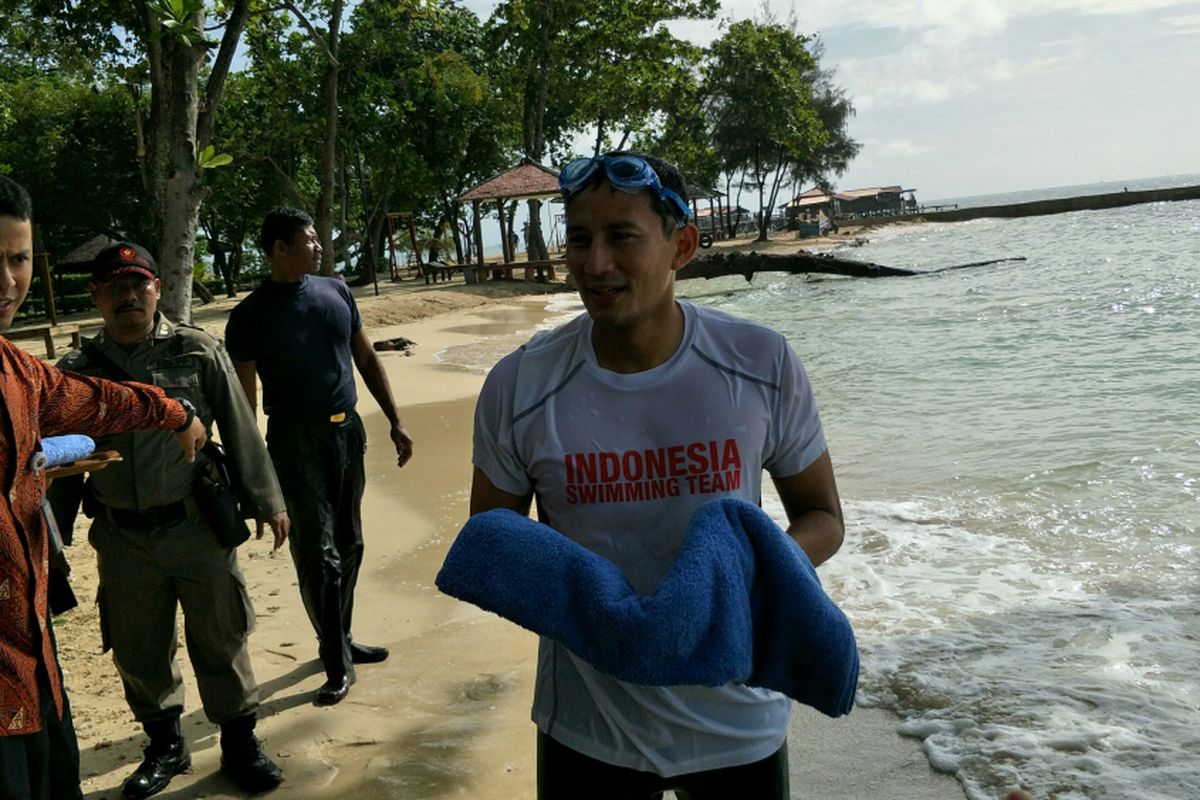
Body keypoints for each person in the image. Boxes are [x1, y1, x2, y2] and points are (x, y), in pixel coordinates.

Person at [467, 152, 845, 799]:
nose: (595, 264)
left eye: (622, 237)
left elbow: (823, 518)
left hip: (737, 720)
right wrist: (596, 610)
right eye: (579, 239)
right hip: (588, 727)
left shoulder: (760, 363)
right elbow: (492, 539)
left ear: (683, 246)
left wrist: (745, 572)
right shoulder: (520, 385)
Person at [48, 241, 289, 798]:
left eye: (139, 284)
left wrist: (266, 499)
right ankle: (165, 748)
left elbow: (239, 422)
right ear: (96, 295)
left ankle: (239, 745)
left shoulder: (196, 350)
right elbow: (60, 461)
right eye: (114, 286)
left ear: (156, 288)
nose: (128, 295)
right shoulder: (76, 373)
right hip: (122, 537)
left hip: (197, 527)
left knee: (222, 638)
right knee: (138, 648)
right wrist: (50, 539)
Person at [0, 176, 206, 800]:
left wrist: (173, 412)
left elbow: (96, 403)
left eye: (18, 259)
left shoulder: (19, 371)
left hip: (32, 656)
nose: (8, 282)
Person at [225, 207, 414, 706]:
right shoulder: (248, 316)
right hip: (293, 441)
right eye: (310, 240)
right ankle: (336, 660)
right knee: (318, 553)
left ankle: (340, 638)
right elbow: (246, 403)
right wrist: (253, 475)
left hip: (347, 433)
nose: (320, 247)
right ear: (280, 249)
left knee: (351, 543)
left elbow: (367, 357)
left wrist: (395, 419)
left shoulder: (336, 291)